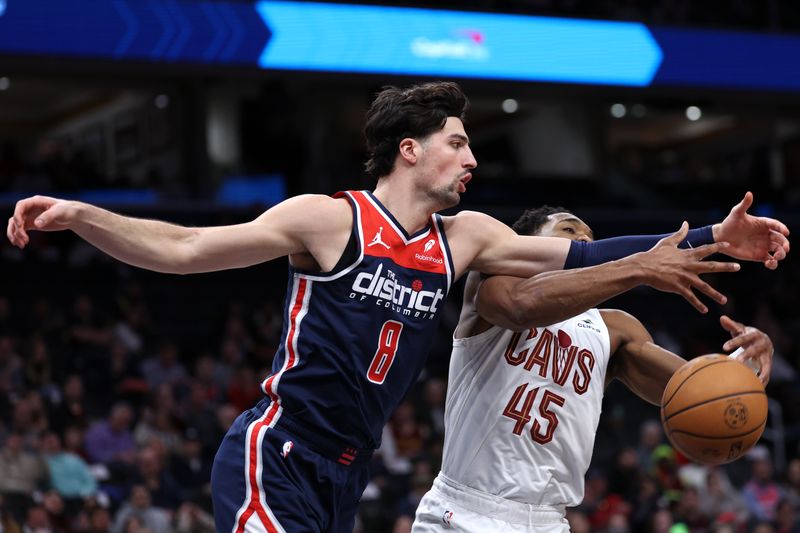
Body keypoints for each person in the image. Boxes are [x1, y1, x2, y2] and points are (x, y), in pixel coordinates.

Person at [6, 81, 790, 532]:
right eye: (457, 142)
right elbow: (182, 248)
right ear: (410, 149)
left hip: (349, 471)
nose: (473, 157)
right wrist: (85, 215)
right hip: (279, 450)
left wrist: (712, 235)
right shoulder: (328, 218)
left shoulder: (465, 238)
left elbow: (584, 254)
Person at [412, 205, 776, 532]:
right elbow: (520, 307)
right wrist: (635, 267)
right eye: (569, 232)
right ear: (528, 244)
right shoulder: (492, 281)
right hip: (465, 512)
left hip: (549, 521)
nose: (584, 243)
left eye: (590, 239)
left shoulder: (615, 328)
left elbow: (694, 389)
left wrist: (741, 365)